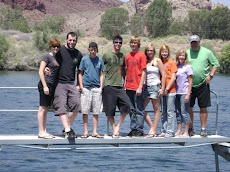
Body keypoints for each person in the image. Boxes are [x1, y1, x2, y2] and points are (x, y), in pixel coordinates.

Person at [187, 35, 220, 137]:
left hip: (203, 84)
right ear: (190, 43)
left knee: (203, 107)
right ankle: (190, 128)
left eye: (196, 42)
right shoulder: (187, 53)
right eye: (192, 42)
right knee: (189, 107)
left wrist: (211, 75)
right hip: (189, 85)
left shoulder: (207, 52)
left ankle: (203, 129)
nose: (194, 44)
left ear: (199, 42)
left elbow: (216, 64)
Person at [52, 32, 83, 139]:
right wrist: (46, 69)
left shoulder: (78, 54)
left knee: (77, 106)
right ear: (66, 40)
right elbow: (50, 61)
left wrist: (79, 84)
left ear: (76, 41)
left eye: (74, 40)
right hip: (59, 83)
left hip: (71, 84)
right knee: (61, 107)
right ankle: (68, 130)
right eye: (70, 40)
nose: (72, 42)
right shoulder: (60, 51)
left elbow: (80, 71)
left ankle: (66, 128)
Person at [102, 35, 130, 138]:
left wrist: (125, 82)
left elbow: (124, 70)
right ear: (113, 43)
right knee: (110, 110)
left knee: (127, 105)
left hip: (119, 86)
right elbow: (100, 68)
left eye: (120, 43)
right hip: (108, 85)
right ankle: (114, 129)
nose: (118, 44)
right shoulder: (106, 55)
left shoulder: (123, 56)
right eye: (116, 42)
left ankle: (118, 126)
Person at [78, 42, 105, 138]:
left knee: (96, 111)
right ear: (89, 50)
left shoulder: (100, 60)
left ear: (97, 50)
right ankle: (85, 131)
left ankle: (95, 131)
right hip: (86, 87)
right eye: (91, 49)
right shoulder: (84, 59)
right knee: (85, 110)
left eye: (95, 49)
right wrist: (81, 86)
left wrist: (101, 86)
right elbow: (80, 73)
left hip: (96, 88)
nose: (93, 51)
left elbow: (101, 74)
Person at [37, 38, 61, 139]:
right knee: (42, 108)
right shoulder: (47, 56)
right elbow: (40, 71)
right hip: (45, 85)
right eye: (53, 46)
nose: (55, 48)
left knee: (46, 108)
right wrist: (45, 86)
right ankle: (41, 131)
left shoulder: (57, 57)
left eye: (57, 46)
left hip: (51, 86)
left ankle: (44, 130)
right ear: (50, 47)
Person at [125, 35, 147, 137]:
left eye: (135, 43)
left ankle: (140, 129)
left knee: (139, 109)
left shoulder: (141, 55)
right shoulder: (128, 56)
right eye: (132, 43)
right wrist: (125, 84)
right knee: (131, 109)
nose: (133, 45)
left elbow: (143, 72)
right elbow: (127, 71)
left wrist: (140, 86)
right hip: (128, 86)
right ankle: (133, 128)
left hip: (138, 87)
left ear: (138, 44)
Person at [143, 44, 165, 138]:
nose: (149, 52)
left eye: (151, 50)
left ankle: (153, 130)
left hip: (155, 86)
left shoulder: (157, 60)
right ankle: (152, 127)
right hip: (146, 87)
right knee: (141, 109)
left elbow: (164, 75)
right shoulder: (145, 61)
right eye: (148, 50)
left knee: (156, 109)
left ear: (154, 51)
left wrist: (162, 88)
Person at [159, 45, 177, 137]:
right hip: (162, 90)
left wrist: (166, 88)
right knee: (163, 111)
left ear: (168, 52)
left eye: (165, 52)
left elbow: (173, 77)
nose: (164, 53)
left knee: (170, 112)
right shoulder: (160, 62)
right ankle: (164, 130)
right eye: (162, 52)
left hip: (170, 91)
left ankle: (170, 131)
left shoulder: (171, 63)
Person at [175, 49, 193, 137]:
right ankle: (179, 130)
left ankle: (186, 131)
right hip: (176, 92)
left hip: (184, 92)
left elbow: (190, 82)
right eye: (180, 55)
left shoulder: (188, 67)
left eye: (183, 55)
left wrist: (188, 94)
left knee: (184, 112)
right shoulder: (176, 66)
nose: (181, 57)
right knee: (178, 112)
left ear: (185, 57)